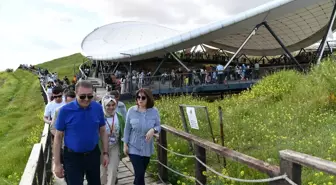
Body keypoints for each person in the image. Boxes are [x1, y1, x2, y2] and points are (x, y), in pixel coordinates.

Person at [53, 80, 109, 185]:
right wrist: (57, 164)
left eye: (90, 96)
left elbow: (102, 130)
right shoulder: (65, 111)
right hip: (72, 157)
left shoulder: (97, 108)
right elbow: (58, 137)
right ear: (76, 94)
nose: (87, 99)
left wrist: (105, 153)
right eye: (82, 96)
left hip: (93, 154)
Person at [122, 88, 161, 185]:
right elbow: (127, 129)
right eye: (138, 97)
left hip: (147, 148)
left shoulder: (154, 111)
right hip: (133, 147)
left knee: (140, 174)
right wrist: (125, 144)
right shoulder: (131, 111)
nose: (140, 99)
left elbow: (158, 126)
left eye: (143, 97)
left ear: (148, 98)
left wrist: (153, 130)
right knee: (139, 173)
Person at [50, 90, 76, 182]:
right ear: (65, 101)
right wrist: (62, 135)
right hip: (65, 147)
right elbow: (52, 128)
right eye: (69, 103)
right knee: (69, 173)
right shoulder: (59, 111)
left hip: (80, 150)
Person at [100, 95, 125, 185]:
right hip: (102, 147)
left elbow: (124, 130)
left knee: (113, 170)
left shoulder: (119, 116)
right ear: (104, 105)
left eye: (113, 105)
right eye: (108, 105)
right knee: (102, 172)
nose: (111, 107)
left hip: (115, 146)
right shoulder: (100, 117)